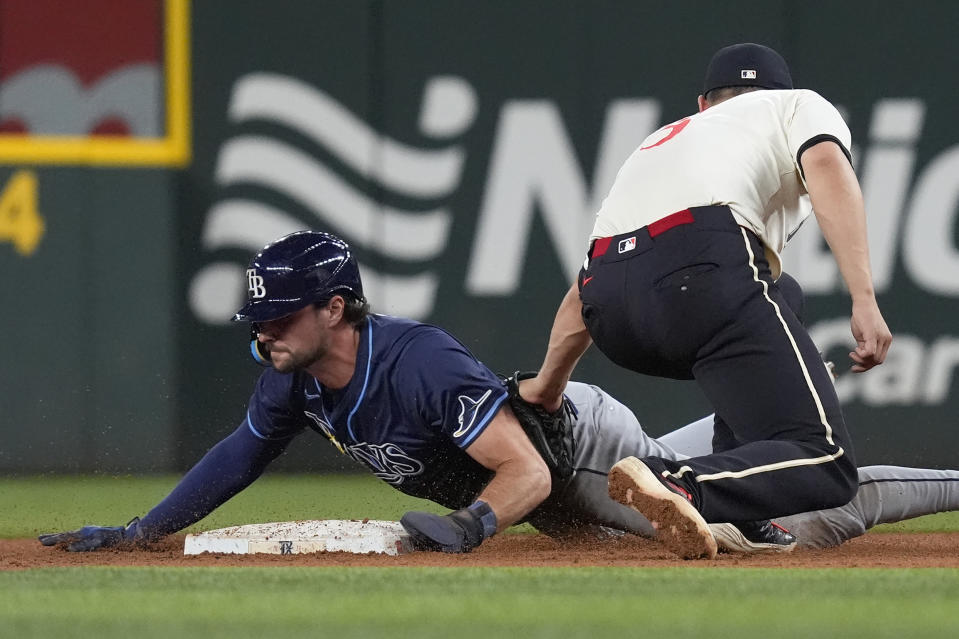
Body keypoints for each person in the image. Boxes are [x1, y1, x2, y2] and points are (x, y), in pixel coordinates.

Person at [39, 231, 956, 557]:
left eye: (279, 316)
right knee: (724, 460)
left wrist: (472, 527)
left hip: (579, 456)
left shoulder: (417, 363)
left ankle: (847, 470)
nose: (262, 332)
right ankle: (761, 412)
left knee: (782, 520)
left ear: (334, 307)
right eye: (259, 319)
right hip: (553, 487)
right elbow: (238, 454)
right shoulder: (297, 379)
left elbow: (519, 472)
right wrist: (144, 529)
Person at [520, 42, 894, 558]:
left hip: (614, 311)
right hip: (701, 275)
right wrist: (865, 299)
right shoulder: (794, 106)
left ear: (703, 105)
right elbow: (828, 164)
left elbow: (583, 289)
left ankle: (743, 512)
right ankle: (678, 483)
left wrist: (547, 385)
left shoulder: (661, 141)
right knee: (826, 462)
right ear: (777, 96)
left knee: (781, 294)